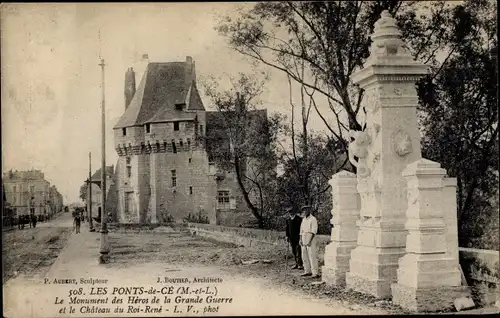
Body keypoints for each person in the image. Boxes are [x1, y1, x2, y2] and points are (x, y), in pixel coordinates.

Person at [299, 205, 320, 278]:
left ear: (309, 210)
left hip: (310, 236)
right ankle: (307, 271)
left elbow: (314, 231)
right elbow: (301, 230)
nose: (305, 211)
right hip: (304, 236)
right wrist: (300, 239)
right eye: (304, 210)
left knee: (312, 255)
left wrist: (309, 240)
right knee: (304, 255)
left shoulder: (313, 219)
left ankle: (315, 272)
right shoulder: (304, 219)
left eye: (306, 210)